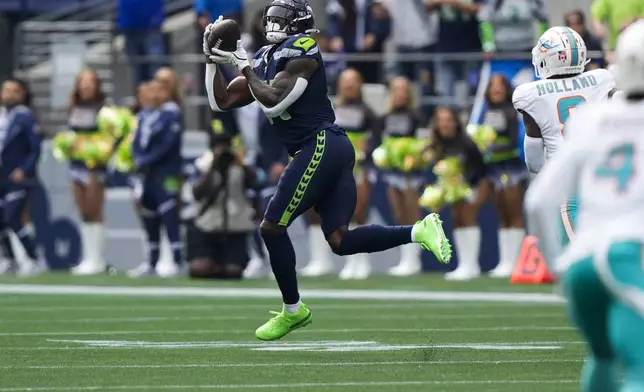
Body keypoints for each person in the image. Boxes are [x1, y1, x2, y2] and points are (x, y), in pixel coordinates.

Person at [204, 0, 452, 341]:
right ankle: (419, 231)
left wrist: (244, 66)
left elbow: (275, 100)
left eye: (280, 19)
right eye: (270, 17)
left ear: (298, 25)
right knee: (340, 240)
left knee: (272, 227)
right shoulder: (263, 57)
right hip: (322, 147)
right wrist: (213, 63)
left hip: (320, 143)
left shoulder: (302, 50)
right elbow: (222, 102)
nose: (272, 23)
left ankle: (294, 310)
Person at [524, 20, 644, 392]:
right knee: (639, 370)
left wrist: (559, 262)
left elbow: (538, 195)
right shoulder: (600, 85)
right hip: (627, 250)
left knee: (603, 356)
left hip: (583, 259)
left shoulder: (591, 121)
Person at [513, 26, 619, 246]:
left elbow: (534, 162)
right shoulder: (601, 79)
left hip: (568, 183)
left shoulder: (531, 94)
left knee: (578, 256)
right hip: (606, 177)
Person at [129, 79, 184, 278]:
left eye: (147, 93)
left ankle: (177, 260)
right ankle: (151, 262)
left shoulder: (171, 114)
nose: (142, 98)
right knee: (149, 216)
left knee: (169, 215)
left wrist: (145, 160)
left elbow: (168, 144)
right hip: (147, 175)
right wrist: (137, 158)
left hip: (166, 173)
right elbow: (137, 141)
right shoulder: (144, 116)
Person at [189, 132, 260, 279]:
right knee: (200, 269)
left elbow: (255, 184)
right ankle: (216, 267)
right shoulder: (202, 164)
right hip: (209, 226)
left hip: (235, 227)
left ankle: (222, 267)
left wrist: (240, 163)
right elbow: (197, 193)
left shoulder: (241, 165)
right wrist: (213, 166)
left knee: (233, 271)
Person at [429, 106, 488, 281]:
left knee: (468, 217)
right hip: (454, 187)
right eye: (441, 120)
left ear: (455, 122)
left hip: (475, 183)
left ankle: (471, 264)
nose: (445, 124)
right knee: (457, 218)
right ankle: (465, 264)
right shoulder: (437, 143)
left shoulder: (466, 142)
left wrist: (472, 187)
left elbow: (480, 168)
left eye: (448, 120)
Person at [480, 74, 527, 278]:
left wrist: (489, 147)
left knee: (513, 211)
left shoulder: (512, 112)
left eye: (500, 86)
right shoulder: (486, 111)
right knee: (501, 213)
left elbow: (512, 142)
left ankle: (516, 261)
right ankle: (505, 260)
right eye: (493, 86)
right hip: (494, 169)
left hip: (511, 168)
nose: (496, 90)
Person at [379, 76, 427, 277]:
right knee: (398, 215)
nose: (399, 94)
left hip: (411, 173)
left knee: (412, 215)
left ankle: (414, 259)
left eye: (403, 90)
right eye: (395, 90)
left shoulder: (417, 116)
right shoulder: (386, 116)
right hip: (393, 172)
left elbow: (425, 144)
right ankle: (405, 258)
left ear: (408, 93)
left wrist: (415, 157)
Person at [66, 70, 109, 276]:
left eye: (90, 82)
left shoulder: (103, 109)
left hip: (95, 165)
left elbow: (109, 136)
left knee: (94, 209)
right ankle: (87, 257)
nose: (86, 86)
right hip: (76, 165)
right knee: (83, 211)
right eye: (82, 82)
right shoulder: (73, 107)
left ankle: (97, 259)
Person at [0, 78, 43, 276]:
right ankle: (8, 259)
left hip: (15, 175)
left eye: (14, 91)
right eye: (6, 90)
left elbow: (35, 148)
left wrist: (24, 169)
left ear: (23, 94)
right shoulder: (2, 116)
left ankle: (33, 257)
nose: (8, 94)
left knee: (12, 216)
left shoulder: (25, 117)